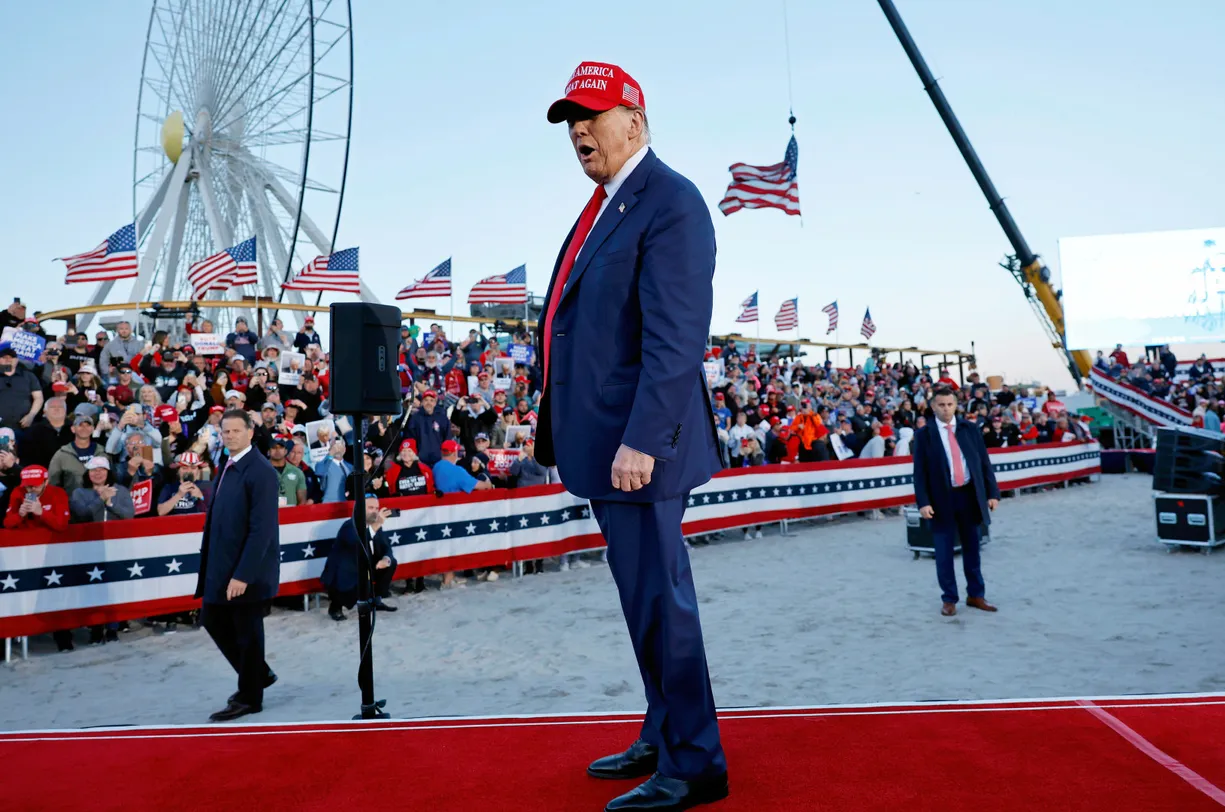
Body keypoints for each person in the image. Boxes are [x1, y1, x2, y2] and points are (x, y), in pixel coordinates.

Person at [536, 63, 728, 810]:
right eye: (569, 120)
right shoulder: (605, 205)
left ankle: (695, 761)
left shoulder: (670, 203)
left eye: (590, 114)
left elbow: (676, 340)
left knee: (660, 603)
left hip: (639, 449)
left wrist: (644, 438)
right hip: (603, 442)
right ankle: (662, 726)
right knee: (639, 599)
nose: (578, 129)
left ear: (635, 123)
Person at [194, 409, 280, 722]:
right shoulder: (226, 463)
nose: (228, 436)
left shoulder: (261, 471)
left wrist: (243, 574)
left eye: (234, 431)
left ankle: (249, 697)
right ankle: (257, 673)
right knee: (213, 619)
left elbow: (262, 529)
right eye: (224, 431)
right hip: (222, 565)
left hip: (247, 571)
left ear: (249, 432)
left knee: (248, 633)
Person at [912, 386, 1001, 617]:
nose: (946, 409)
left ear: (956, 405)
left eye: (950, 404)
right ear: (933, 407)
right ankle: (949, 599)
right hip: (941, 500)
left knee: (973, 549)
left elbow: (984, 463)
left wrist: (992, 493)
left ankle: (976, 595)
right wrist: (923, 502)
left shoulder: (969, 429)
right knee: (943, 553)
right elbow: (919, 472)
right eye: (941, 405)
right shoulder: (924, 435)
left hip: (969, 496)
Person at [320, 491, 398, 621]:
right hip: (346, 573)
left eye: (377, 508)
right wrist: (376, 525)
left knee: (391, 563)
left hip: (365, 566)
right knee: (356, 576)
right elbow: (357, 543)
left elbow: (386, 547)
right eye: (371, 508)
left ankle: (375, 600)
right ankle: (335, 607)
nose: (375, 511)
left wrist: (386, 559)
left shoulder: (375, 527)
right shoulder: (350, 526)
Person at [69, 456, 135, 523]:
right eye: (93, 470)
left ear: (108, 472)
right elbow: (81, 516)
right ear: (88, 473)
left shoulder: (121, 490)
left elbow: (129, 515)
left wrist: (110, 504)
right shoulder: (79, 493)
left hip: (116, 532)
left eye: (102, 469)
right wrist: (101, 499)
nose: (97, 473)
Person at [4, 465, 70, 530]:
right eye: (28, 486)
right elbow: (7, 524)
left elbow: (62, 525)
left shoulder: (57, 493)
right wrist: (19, 515)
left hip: (49, 536)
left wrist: (42, 512)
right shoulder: (18, 492)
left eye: (36, 485)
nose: (32, 489)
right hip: (26, 536)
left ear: (46, 482)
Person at [48, 412, 100, 493]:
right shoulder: (62, 454)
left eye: (88, 425)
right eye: (80, 425)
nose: (84, 428)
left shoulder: (102, 452)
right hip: (72, 503)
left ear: (93, 429)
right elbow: (52, 483)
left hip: (100, 502)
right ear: (73, 429)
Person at [0, 346, 43, 431]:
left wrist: (31, 415)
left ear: (16, 360)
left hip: (22, 425)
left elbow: (38, 398)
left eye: (12, 357)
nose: (8, 360)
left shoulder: (29, 376)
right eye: (5, 357)